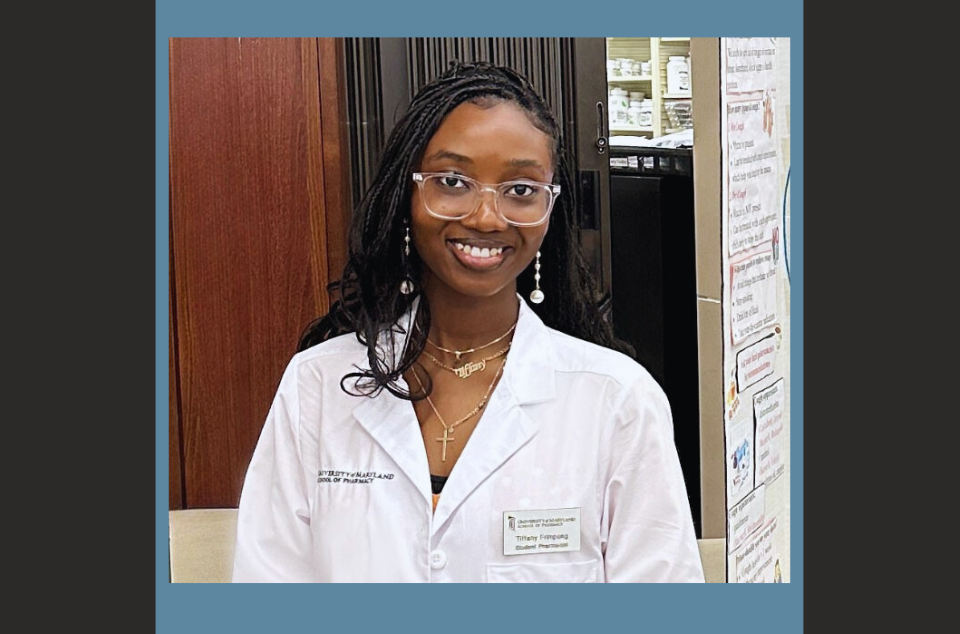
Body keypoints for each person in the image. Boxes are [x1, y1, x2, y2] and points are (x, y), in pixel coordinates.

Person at [231, 61, 704, 583]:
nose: (486, 217)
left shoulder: (618, 401)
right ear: (407, 194)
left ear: (550, 208)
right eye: (453, 181)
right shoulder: (316, 387)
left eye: (520, 189)